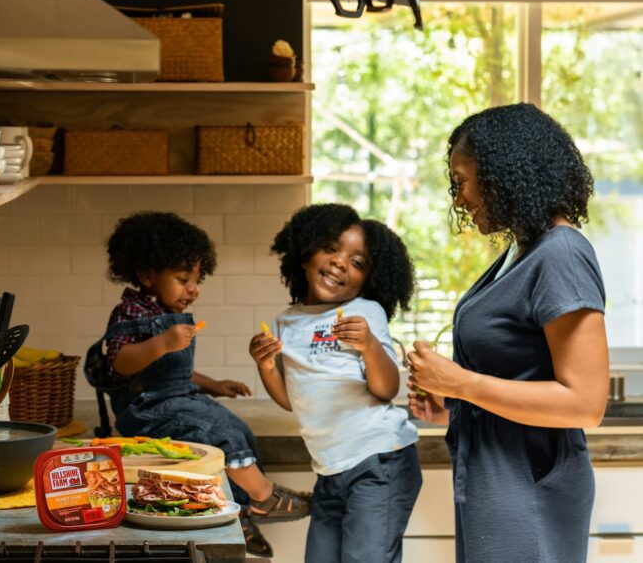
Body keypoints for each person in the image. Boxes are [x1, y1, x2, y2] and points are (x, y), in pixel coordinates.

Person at [406, 103, 609, 562]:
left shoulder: (561, 254)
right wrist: (453, 407)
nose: (459, 199)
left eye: (462, 181)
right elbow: (520, 379)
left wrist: (461, 384)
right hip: (495, 482)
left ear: (503, 174)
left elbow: (586, 404)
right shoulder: (523, 249)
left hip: (529, 491)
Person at [91, 211, 310, 558]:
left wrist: (214, 385)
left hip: (180, 397)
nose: (192, 289)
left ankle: (243, 514)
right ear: (147, 274)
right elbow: (121, 362)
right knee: (217, 433)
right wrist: (162, 342)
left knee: (237, 429)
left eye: (196, 279)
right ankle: (264, 495)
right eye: (182, 279)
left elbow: (173, 371)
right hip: (145, 409)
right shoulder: (131, 311)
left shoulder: (164, 311)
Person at [251, 203, 421, 563]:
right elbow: (290, 398)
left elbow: (388, 389)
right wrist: (266, 366)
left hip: (379, 462)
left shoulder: (365, 313)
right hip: (330, 472)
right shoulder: (287, 321)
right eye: (330, 248)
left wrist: (370, 346)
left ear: (369, 278)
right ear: (304, 254)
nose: (341, 262)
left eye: (357, 262)